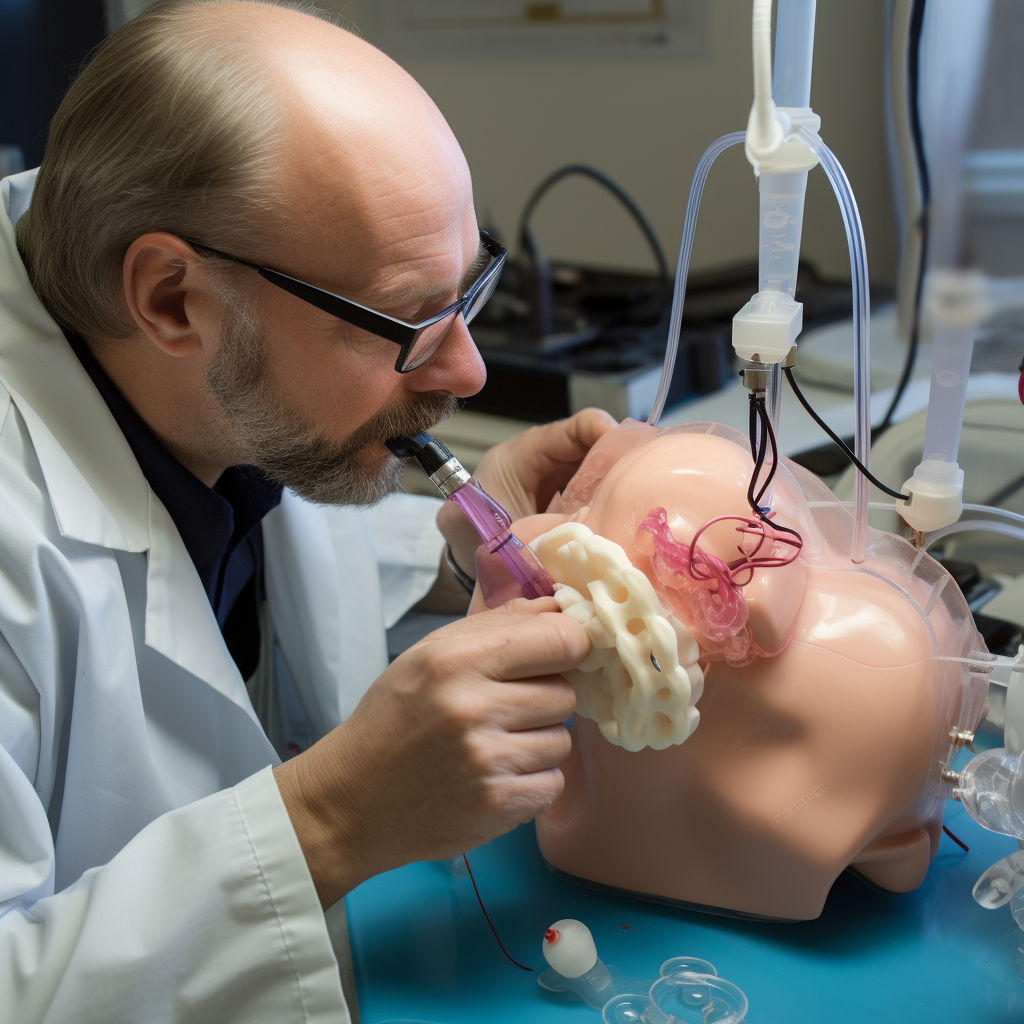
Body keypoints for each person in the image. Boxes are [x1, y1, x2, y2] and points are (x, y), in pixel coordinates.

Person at [0, 2, 616, 1020]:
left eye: (465, 296)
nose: (466, 368)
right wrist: (328, 820)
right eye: (407, 322)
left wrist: (459, 555)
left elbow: (232, 539)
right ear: (169, 299)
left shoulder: (201, 371)